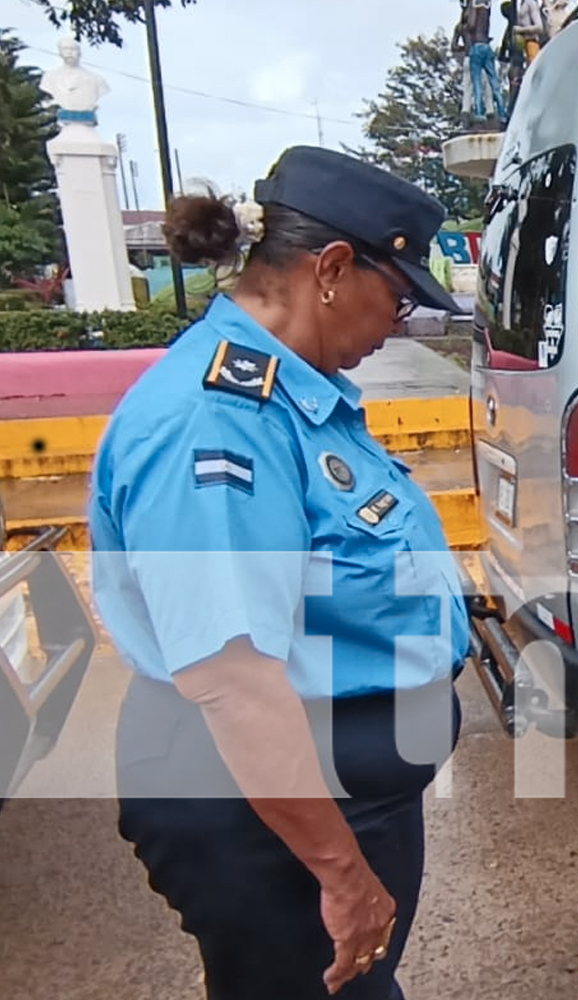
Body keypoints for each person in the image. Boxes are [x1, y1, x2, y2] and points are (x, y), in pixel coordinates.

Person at [89, 145, 470, 999]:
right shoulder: (215, 425)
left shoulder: (296, 395)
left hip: (332, 797)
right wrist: (342, 876)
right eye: (399, 298)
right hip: (266, 818)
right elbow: (232, 678)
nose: (399, 325)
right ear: (332, 269)